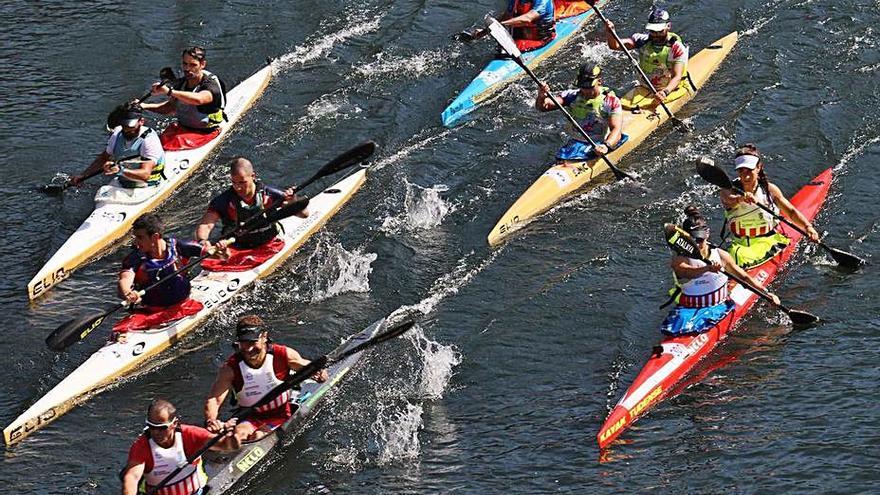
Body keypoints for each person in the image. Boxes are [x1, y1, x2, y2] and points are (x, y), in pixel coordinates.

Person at [203, 315, 328, 443]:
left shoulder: (283, 354)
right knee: (238, 435)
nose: (248, 349)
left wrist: (319, 373)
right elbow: (214, 399)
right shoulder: (230, 368)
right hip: (250, 416)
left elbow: (306, 365)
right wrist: (212, 421)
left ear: (264, 337)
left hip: (280, 414)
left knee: (258, 436)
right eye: (244, 342)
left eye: (252, 342)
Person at [661, 206, 780, 336]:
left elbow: (744, 278)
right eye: (693, 240)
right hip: (689, 310)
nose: (697, 244)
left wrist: (767, 294)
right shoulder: (679, 259)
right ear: (686, 239)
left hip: (719, 307)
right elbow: (686, 272)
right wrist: (707, 268)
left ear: (707, 235)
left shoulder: (721, 255)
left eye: (700, 240)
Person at [719, 144, 820, 268]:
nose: (745, 176)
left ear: (759, 167)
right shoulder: (728, 190)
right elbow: (730, 200)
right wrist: (741, 199)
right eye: (741, 171)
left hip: (769, 241)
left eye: (749, 170)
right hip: (741, 245)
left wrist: (808, 227)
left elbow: (791, 212)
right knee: (736, 254)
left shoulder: (770, 190)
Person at [120, 398, 239, 495]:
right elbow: (131, 477)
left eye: (162, 428)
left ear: (174, 424)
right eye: (151, 426)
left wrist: (231, 435)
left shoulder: (190, 435)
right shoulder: (142, 446)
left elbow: (229, 446)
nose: (156, 432)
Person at [194, 157, 306, 258]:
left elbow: (304, 214)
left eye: (242, 182)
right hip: (237, 245)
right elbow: (206, 225)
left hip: (270, 242)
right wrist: (202, 241)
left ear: (253, 176)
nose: (238, 188)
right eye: (234, 182)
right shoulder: (223, 201)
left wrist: (293, 202)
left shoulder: (269, 195)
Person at [114, 213, 206, 335]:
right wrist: (128, 293)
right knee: (118, 331)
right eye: (135, 237)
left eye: (140, 237)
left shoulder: (177, 247)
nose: (136, 242)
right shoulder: (135, 259)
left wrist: (219, 250)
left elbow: (207, 250)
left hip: (183, 305)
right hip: (151, 312)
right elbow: (125, 278)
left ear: (155, 237)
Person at [140, 46, 226, 151]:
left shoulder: (210, 86)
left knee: (175, 141)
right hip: (183, 128)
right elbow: (169, 108)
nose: (187, 69)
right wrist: (144, 106)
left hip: (206, 132)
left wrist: (169, 91)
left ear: (202, 64)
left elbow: (199, 99)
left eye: (193, 65)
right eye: (185, 64)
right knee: (153, 140)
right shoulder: (181, 83)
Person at [603, 8, 689, 110]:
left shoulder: (676, 48)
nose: (656, 34)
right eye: (652, 31)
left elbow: (677, 76)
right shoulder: (641, 40)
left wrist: (665, 92)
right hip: (645, 87)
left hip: (671, 89)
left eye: (659, 31)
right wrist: (610, 32)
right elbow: (615, 46)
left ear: (668, 26)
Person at [535, 64, 625, 161]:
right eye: (582, 87)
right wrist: (541, 96)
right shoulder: (571, 96)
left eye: (589, 87)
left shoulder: (611, 101)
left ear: (599, 81)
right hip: (575, 142)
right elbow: (543, 107)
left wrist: (606, 146)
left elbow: (616, 129)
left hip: (598, 144)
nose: (585, 90)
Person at [70, 106, 165, 188]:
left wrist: (120, 170)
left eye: (130, 125)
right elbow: (103, 158)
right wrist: (83, 175)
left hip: (147, 184)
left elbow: (145, 175)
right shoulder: (117, 134)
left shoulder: (149, 140)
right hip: (124, 181)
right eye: (124, 125)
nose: (126, 129)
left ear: (141, 121)